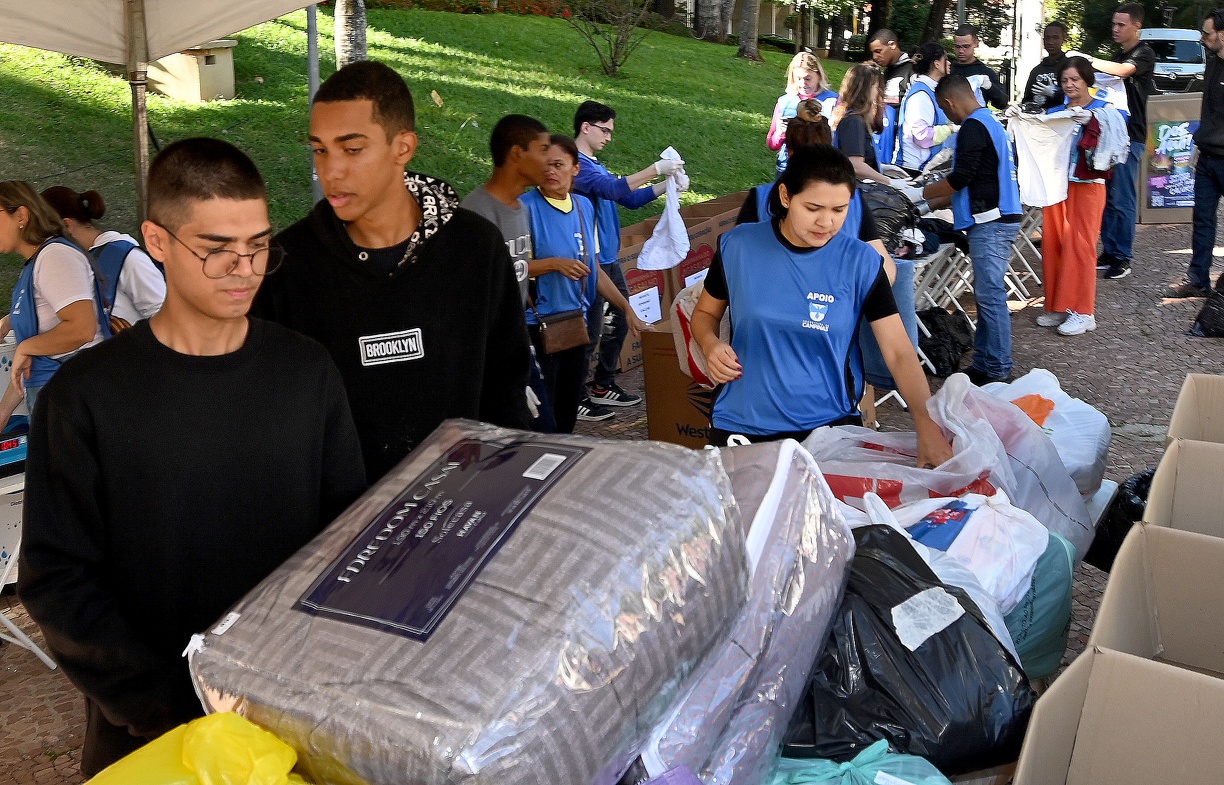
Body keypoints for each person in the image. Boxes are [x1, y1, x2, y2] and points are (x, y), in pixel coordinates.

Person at [17, 137, 367, 776]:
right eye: (215, 249)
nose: (244, 268)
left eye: (258, 245)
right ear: (157, 241)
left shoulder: (306, 370)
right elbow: (57, 577)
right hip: (156, 737)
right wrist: (174, 704)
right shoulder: (86, 395)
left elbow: (347, 539)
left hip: (297, 721)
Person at [253, 60, 532, 482]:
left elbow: (506, 385)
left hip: (462, 506)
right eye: (320, 149)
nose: (331, 170)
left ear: (403, 147)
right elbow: (273, 414)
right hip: (343, 528)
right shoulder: (286, 265)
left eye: (352, 148)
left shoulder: (475, 247)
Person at [690, 144, 951, 468]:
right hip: (742, 424)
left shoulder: (862, 264)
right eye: (813, 208)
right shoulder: (738, 246)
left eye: (839, 210)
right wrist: (710, 343)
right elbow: (704, 314)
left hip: (829, 429)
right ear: (785, 196)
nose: (826, 222)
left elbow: (899, 351)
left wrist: (926, 423)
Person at [522, 135, 646, 433]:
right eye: (545, 165)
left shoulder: (582, 207)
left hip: (576, 324)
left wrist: (625, 307)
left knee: (566, 410)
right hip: (538, 325)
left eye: (558, 165)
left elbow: (593, 269)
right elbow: (510, 267)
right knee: (543, 413)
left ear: (575, 169)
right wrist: (553, 264)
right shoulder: (524, 208)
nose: (550, 171)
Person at [572, 100, 682, 417]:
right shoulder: (577, 167)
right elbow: (611, 188)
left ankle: (602, 385)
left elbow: (628, 198)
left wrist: (666, 186)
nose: (608, 137)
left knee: (620, 321)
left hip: (609, 258)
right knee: (590, 331)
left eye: (610, 131)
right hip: (591, 262)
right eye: (604, 130)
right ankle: (575, 396)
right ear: (586, 127)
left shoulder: (597, 165)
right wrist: (654, 170)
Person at [918, 74, 1022, 385]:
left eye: (944, 110)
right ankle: (986, 361)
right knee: (986, 294)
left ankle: (997, 367)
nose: (947, 116)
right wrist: (932, 203)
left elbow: (961, 177)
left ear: (949, 103)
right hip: (998, 217)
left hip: (991, 221)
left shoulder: (973, 127)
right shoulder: (989, 121)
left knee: (990, 296)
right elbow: (976, 178)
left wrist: (920, 193)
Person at [460, 113, 557, 431]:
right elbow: (468, 301)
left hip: (518, 343)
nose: (550, 159)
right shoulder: (476, 213)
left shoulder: (522, 210)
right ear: (517, 153)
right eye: (542, 149)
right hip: (491, 354)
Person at [0, 182, 105, 423]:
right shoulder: (37, 262)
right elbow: (33, 360)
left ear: (21, 215)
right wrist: (4, 412)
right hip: (60, 400)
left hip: (77, 402)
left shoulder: (54, 257)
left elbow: (82, 328)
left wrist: (26, 347)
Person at [1069, 3, 1155, 280]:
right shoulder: (1118, 54)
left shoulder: (1143, 53)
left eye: (1121, 25)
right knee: (1106, 195)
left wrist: (1087, 60)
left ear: (1136, 26)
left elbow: (1122, 71)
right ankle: (1109, 251)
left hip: (1131, 136)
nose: (1115, 29)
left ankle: (1123, 256)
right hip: (1108, 134)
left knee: (1123, 197)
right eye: (1114, 24)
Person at [1038, 57, 1120, 336]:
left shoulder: (1105, 109)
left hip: (1088, 184)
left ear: (1087, 79)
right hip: (1056, 184)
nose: (1070, 85)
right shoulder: (1057, 111)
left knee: (1081, 246)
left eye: (1075, 79)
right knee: (1055, 243)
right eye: (1065, 80)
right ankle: (1060, 305)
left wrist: (1094, 121)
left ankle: (1084, 311)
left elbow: (1118, 143)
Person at [40, 185, 167, 333]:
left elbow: (164, 315)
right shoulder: (74, 260)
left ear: (67, 225)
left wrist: (136, 340)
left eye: (44, 234)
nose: (42, 243)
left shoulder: (125, 256)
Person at [1171, 9, 1224, 298]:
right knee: (1202, 219)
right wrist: (1198, 144)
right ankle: (1198, 279)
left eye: (1207, 34)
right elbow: (1209, 108)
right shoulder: (1213, 63)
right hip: (1207, 156)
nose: (1202, 39)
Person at [767, 52, 839, 174]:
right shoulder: (785, 102)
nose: (802, 84)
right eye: (798, 79)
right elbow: (771, 144)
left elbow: (841, 141)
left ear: (819, 76)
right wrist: (780, 133)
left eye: (807, 79)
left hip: (822, 167)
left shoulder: (833, 101)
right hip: (789, 168)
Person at [831, 64, 894, 185]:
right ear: (867, 89)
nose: (879, 92)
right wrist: (890, 182)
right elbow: (855, 166)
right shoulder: (854, 121)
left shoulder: (855, 119)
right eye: (876, 87)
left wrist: (883, 168)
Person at [899, 42, 957, 170]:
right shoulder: (921, 95)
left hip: (923, 167)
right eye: (946, 60)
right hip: (915, 170)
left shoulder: (929, 90)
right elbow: (921, 135)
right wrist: (952, 129)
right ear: (937, 64)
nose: (949, 63)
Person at [869, 29, 915, 167]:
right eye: (873, 52)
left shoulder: (912, 70)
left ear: (892, 45)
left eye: (878, 51)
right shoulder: (887, 71)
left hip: (902, 142)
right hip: (884, 137)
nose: (875, 56)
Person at [951, 24, 1008, 110]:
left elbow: (1002, 103)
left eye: (966, 46)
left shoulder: (985, 72)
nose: (961, 51)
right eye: (957, 47)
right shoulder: (947, 70)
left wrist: (990, 87)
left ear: (976, 44)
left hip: (977, 120)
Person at [1023, 22, 1071, 110]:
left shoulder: (1070, 67)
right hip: (1040, 119)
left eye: (1055, 38)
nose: (1050, 42)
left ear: (1063, 40)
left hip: (1065, 118)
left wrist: (1055, 94)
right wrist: (1033, 103)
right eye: (1047, 38)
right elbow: (1026, 99)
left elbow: (1078, 97)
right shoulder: (1037, 70)